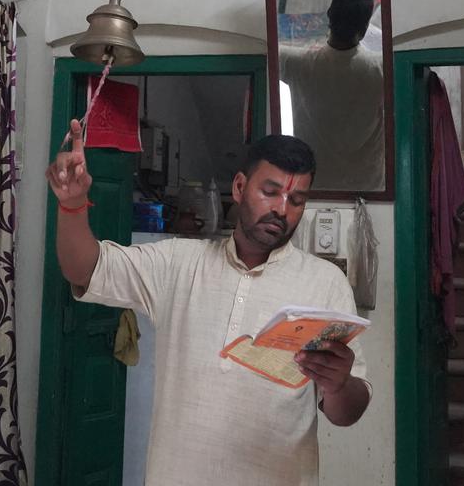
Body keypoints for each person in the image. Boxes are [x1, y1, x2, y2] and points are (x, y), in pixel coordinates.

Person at [49, 130, 369, 486]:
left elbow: (346, 414)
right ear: (239, 187)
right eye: (270, 191)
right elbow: (84, 270)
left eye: (296, 199)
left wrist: (340, 385)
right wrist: (73, 205)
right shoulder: (178, 263)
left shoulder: (325, 283)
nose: (282, 209)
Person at [277, 0, 386, 193]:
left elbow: (264, 50)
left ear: (329, 18)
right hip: (370, 192)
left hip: (314, 188)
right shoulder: (381, 69)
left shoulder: (297, 64)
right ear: (363, 31)